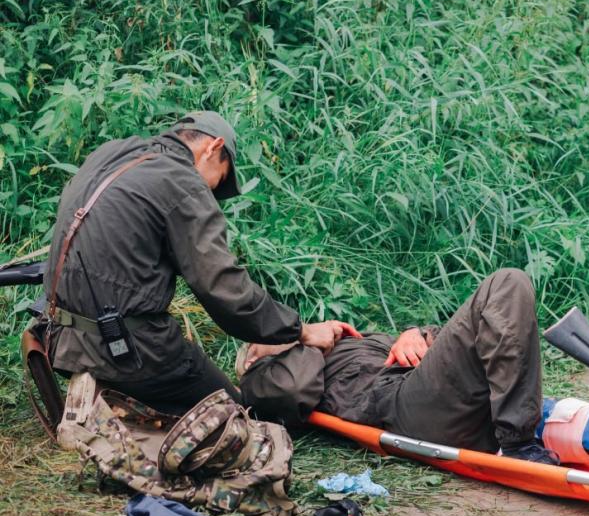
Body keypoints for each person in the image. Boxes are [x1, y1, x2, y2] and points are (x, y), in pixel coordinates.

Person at [39, 111, 355, 415]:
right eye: (220, 180)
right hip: (127, 350)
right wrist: (299, 331)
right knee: (237, 414)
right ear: (213, 148)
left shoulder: (112, 154)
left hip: (57, 336)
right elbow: (225, 289)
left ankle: (107, 392)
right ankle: (114, 395)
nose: (212, 192)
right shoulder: (183, 182)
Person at [238, 268, 559, 464]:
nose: (288, 326)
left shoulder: (353, 340)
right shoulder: (267, 374)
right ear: (253, 357)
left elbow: (460, 339)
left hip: (436, 393)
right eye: (268, 334)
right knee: (505, 282)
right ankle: (518, 443)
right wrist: (304, 340)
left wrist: (415, 334)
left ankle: (514, 432)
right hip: (400, 408)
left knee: (508, 288)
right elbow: (292, 392)